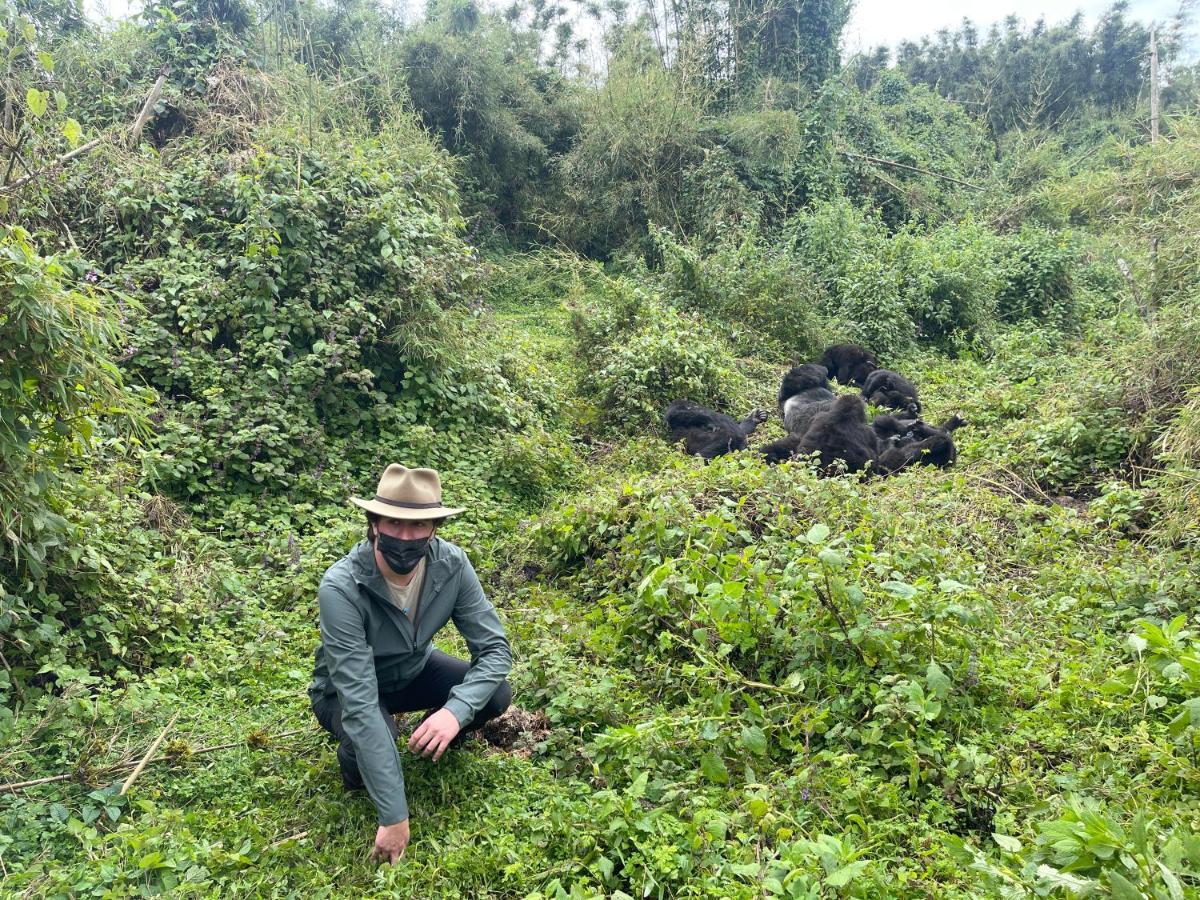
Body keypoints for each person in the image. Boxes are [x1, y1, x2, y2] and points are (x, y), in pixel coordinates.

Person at [308, 464, 512, 863]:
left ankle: (428, 733)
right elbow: (360, 702)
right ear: (373, 523)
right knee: (364, 741)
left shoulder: (452, 565)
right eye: (394, 524)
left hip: (415, 670)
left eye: (418, 526)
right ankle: (362, 762)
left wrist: (454, 713)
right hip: (345, 692)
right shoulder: (341, 588)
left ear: (434, 528)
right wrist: (395, 815)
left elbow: (495, 650)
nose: (405, 537)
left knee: (495, 694)